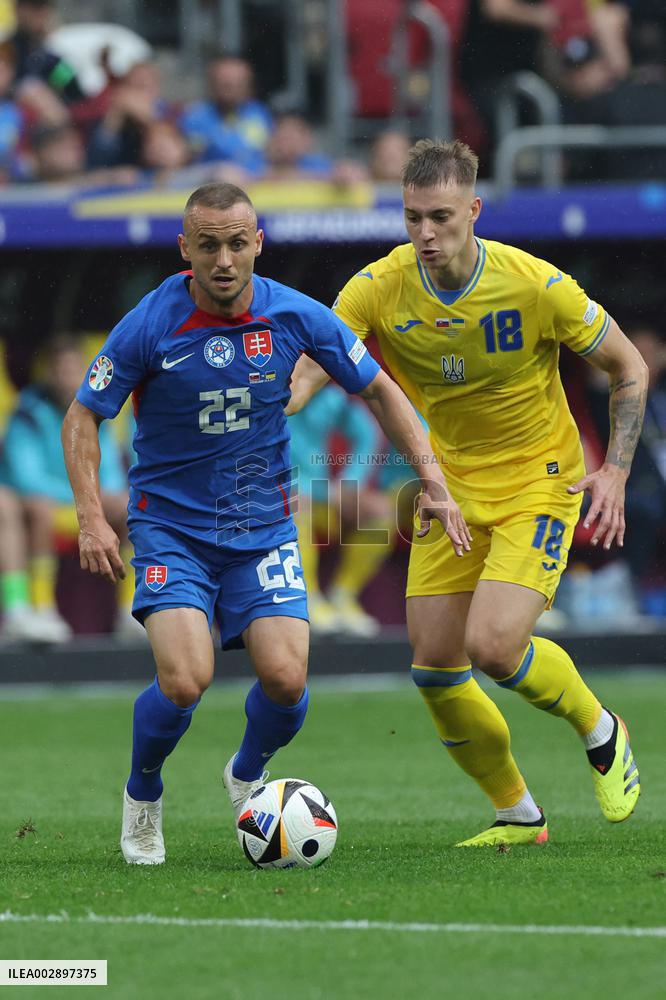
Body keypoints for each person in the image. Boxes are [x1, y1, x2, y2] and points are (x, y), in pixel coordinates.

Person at [61, 180, 470, 866]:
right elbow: (83, 416)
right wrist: (90, 518)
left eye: (237, 243)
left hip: (263, 526)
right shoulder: (149, 324)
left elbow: (378, 388)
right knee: (186, 680)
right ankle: (143, 798)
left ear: (258, 244)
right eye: (209, 245)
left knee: (287, 681)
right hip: (172, 529)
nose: (224, 259)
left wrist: (433, 481)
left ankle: (245, 773)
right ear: (185, 248)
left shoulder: (296, 316)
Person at [287, 139, 647, 846]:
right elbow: (315, 364)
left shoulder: (535, 285)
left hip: (538, 479)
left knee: (492, 645)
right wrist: (277, 401)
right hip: (449, 486)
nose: (425, 233)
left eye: (442, 217)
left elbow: (627, 366)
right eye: (413, 216)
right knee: (435, 669)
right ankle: (517, 814)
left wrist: (616, 470)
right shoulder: (379, 286)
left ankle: (601, 730)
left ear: (474, 210)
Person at [1, 335, 131, 640]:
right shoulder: (27, 413)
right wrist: (83, 498)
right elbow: (26, 478)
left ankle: (131, 611)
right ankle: (38, 609)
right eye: (62, 370)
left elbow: (111, 472)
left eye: (76, 369)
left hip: (80, 503)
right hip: (42, 506)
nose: (69, 377)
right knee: (40, 508)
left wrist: (96, 500)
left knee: (129, 505)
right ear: (50, 373)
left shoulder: (100, 412)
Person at [180, 56, 272, 174]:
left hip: (261, 184)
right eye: (225, 83)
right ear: (212, 84)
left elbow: (271, 152)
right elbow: (190, 160)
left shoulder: (260, 113)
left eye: (238, 82)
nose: (231, 88)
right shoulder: (195, 117)